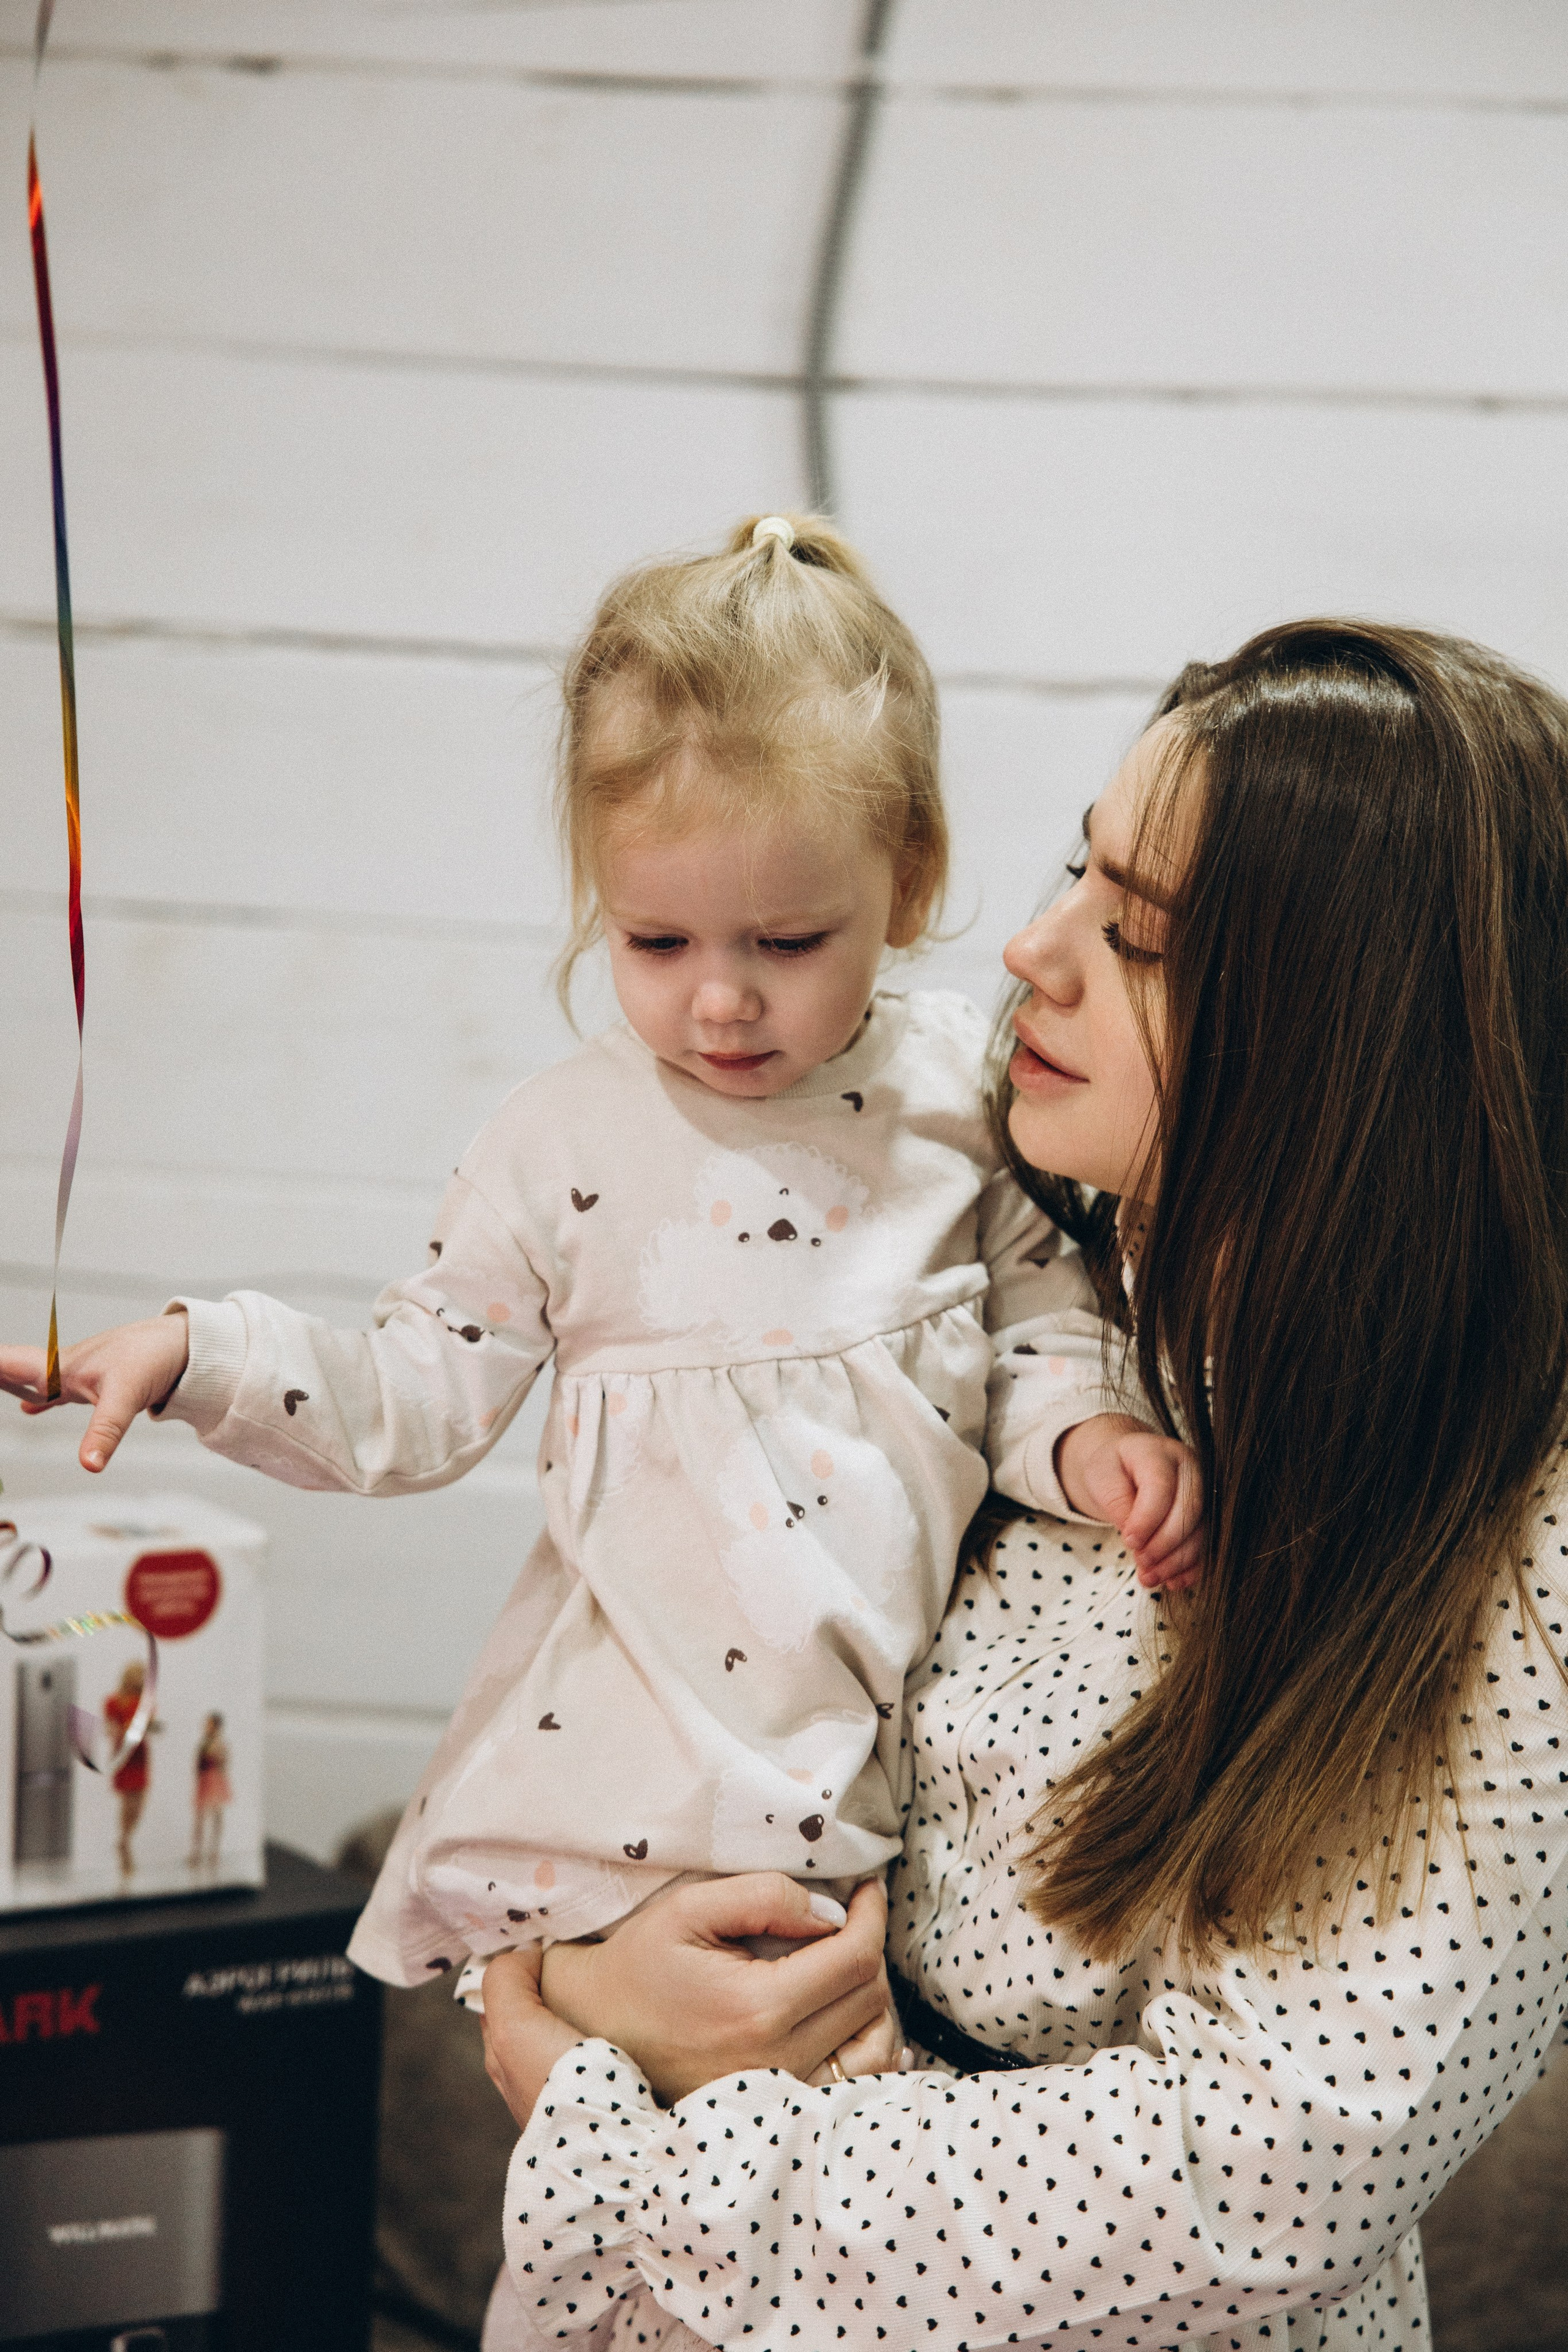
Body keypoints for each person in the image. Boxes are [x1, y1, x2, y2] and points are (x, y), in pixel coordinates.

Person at [477, 619, 1568, 2352]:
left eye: (1140, 936)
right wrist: (561, 1969)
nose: (1032, 950)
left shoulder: (1510, 1538)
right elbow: (652, 1666)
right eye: (1079, 867)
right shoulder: (997, 1287)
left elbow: (1266, 2173)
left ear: (1351, 1045)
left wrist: (635, 2142)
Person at [0, 514, 1197, 2015]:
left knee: (822, 2099)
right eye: (654, 940)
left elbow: (1035, 1319)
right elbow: (408, 1398)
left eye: (783, 941)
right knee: (624, 2098)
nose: (718, 1000)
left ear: (906, 881)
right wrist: (199, 1353)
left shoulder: (955, 1091)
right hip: (633, 1778)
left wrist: (1088, 1439)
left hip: (879, 1781)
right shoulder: (559, 1143)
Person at [103, 1657, 158, 1876]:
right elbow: (110, 1729)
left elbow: (148, 1725)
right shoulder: (114, 1701)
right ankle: (124, 1845)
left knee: (140, 1803)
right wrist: (122, 1730)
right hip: (124, 1755)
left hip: (140, 1755)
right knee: (128, 1803)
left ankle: (124, 1839)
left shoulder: (145, 1701)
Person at [189, 1708, 232, 1868]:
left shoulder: (219, 1743)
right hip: (204, 1781)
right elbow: (198, 1764)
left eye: (209, 1724)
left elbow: (223, 1762)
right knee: (200, 1818)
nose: (206, 1726)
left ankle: (214, 1852)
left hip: (214, 1780)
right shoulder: (204, 1742)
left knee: (216, 1816)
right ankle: (197, 1853)